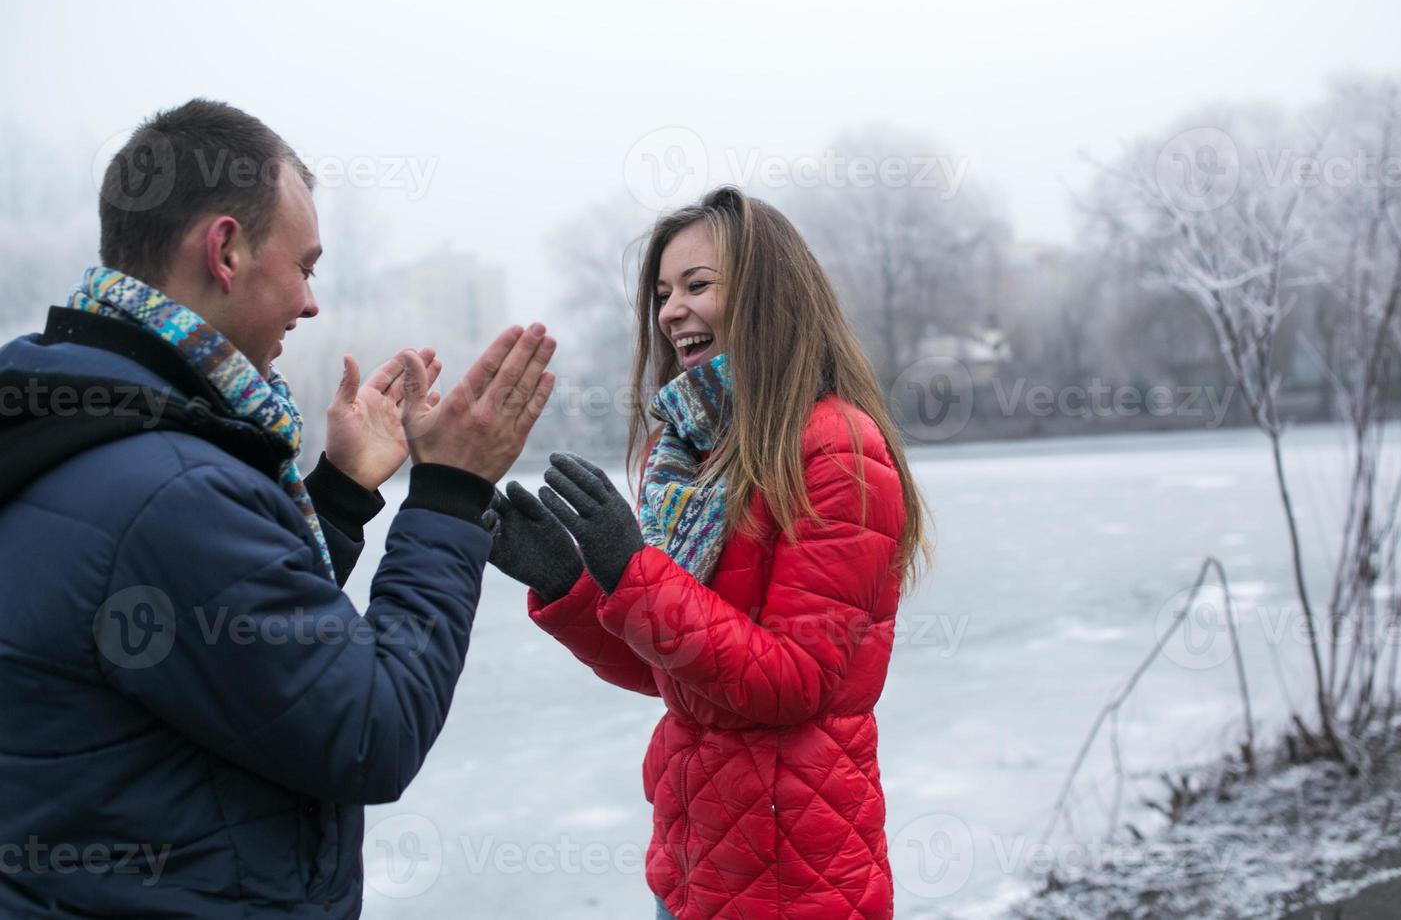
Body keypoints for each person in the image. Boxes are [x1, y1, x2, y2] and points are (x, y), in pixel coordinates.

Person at [0, 99, 556, 918]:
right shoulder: (168, 487)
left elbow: (223, 651)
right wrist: (448, 495)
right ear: (225, 250)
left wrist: (337, 494)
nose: (311, 304)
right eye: (306, 266)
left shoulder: (74, 423)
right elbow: (370, 728)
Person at [485, 185, 930, 919]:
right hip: (696, 869)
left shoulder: (837, 447)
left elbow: (796, 681)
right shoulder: (691, 454)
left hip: (796, 883)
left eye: (698, 285)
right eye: (663, 292)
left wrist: (635, 572)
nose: (670, 312)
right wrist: (571, 586)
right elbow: (681, 677)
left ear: (767, 296)